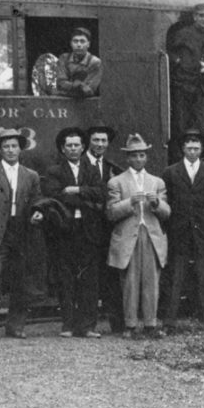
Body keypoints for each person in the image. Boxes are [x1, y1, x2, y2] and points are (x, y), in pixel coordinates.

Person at [0, 130, 44, 340]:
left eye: (14, 146)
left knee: (20, 281)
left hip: (21, 233)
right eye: (6, 147)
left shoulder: (31, 175)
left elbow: (37, 202)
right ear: (0, 150)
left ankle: (16, 326)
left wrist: (38, 212)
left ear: (20, 149)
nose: (11, 150)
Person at [41, 127, 106, 338]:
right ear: (62, 148)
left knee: (89, 278)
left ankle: (87, 326)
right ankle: (68, 325)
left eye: (77, 145)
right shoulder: (54, 171)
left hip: (88, 230)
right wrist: (87, 199)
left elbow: (101, 193)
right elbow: (54, 196)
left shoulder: (92, 169)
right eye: (69, 145)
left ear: (83, 147)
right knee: (66, 278)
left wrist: (77, 190)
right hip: (64, 229)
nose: (73, 149)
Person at [106, 134, 171, 338]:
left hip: (151, 235)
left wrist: (156, 204)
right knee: (130, 282)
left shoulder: (157, 181)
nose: (138, 159)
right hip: (128, 236)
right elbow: (111, 212)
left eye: (142, 155)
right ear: (127, 158)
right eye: (134, 156)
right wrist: (130, 202)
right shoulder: (116, 182)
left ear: (147, 157)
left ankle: (151, 324)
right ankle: (130, 325)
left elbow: (167, 212)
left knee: (151, 281)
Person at [161, 130, 204, 331]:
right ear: (183, 149)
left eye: (196, 148)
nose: (193, 152)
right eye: (189, 148)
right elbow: (167, 201)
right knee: (175, 278)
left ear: (202, 150)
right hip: (179, 232)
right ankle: (169, 321)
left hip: (203, 232)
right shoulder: (171, 172)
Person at [85, 124, 125, 334]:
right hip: (85, 229)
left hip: (108, 230)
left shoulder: (113, 168)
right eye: (96, 140)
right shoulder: (79, 164)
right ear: (88, 142)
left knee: (112, 278)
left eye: (103, 141)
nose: (100, 145)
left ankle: (117, 325)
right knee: (89, 278)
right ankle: (87, 325)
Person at [166, 3, 204, 144]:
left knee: (199, 125)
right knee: (180, 125)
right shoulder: (183, 33)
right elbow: (170, 52)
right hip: (182, 85)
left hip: (200, 87)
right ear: (195, 16)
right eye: (202, 16)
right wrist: (180, 62)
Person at [55, 27, 102, 98]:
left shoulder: (95, 62)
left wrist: (66, 89)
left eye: (82, 41)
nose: (79, 45)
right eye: (75, 41)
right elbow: (60, 83)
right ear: (71, 43)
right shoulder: (64, 58)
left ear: (88, 44)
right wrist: (79, 86)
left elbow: (89, 91)